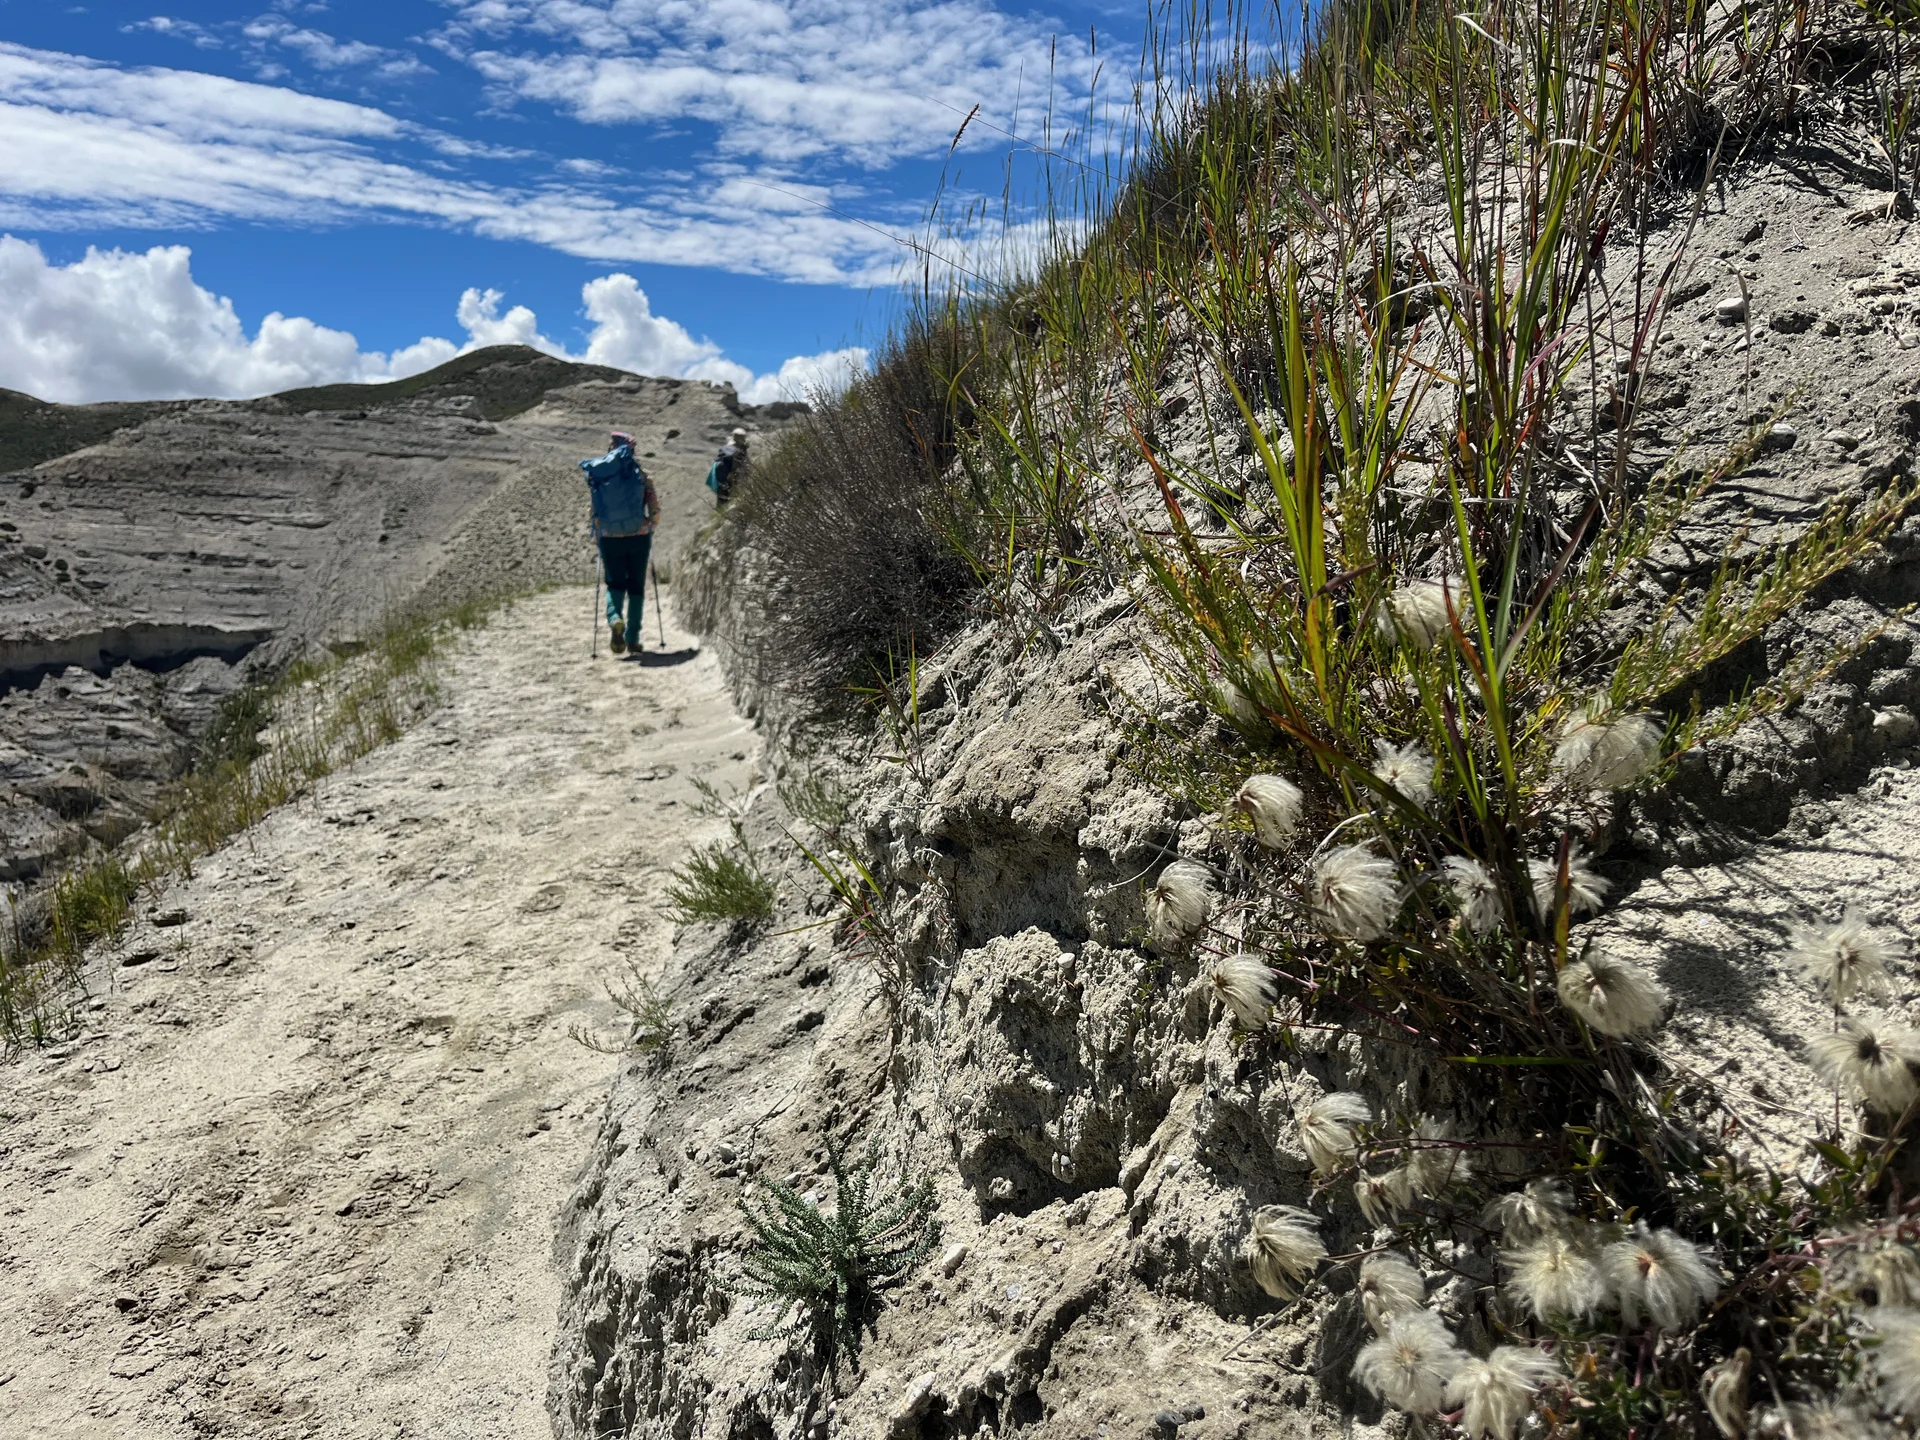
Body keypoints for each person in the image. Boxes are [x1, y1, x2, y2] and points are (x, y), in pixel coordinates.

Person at [579, 430, 659, 655]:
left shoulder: (599, 476)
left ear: (611, 449)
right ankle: (632, 639)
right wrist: (650, 526)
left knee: (614, 584)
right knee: (636, 587)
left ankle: (615, 618)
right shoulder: (643, 476)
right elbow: (655, 509)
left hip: (610, 538)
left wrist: (597, 534)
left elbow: (593, 509)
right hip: (639, 537)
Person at [706, 427, 750, 506]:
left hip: (722, 481)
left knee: (722, 501)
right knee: (730, 500)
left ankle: (720, 514)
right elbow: (741, 468)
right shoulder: (738, 453)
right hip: (732, 480)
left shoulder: (726, 449)